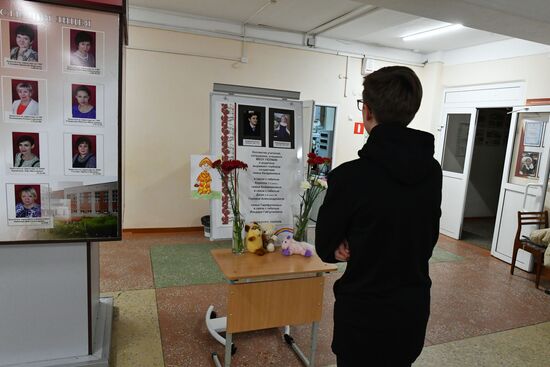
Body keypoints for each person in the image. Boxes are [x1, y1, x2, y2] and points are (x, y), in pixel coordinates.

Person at [315, 66, 442, 367]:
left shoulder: (349, 177)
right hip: (411, 312)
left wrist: (339, 245)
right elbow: (425, 235)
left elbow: (324, 246)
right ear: (411, 111)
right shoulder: (432, 172)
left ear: (367, 110)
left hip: (363, 317)